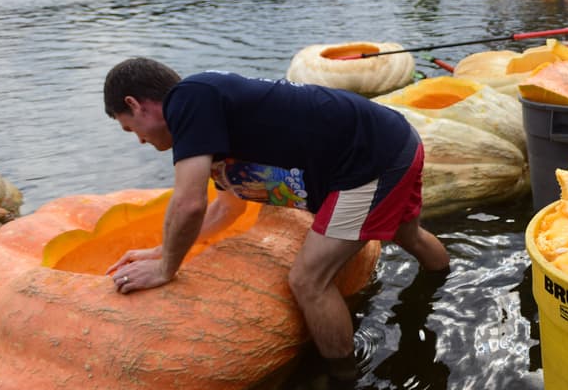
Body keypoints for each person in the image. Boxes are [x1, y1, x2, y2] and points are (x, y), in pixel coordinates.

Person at [102, 58, 449, 362]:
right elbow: (226, 210)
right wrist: (162, 249)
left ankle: (342, 380)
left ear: (136, 105)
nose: (140, 141)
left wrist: (166, 269)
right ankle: (444, 283)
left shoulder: (187, 100)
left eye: (130, 128)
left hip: (371, 160)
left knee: (308, 280)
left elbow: (190, 204)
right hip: (394, 139)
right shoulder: (209, 108)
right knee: (408, 233)